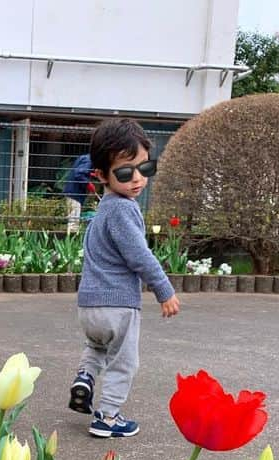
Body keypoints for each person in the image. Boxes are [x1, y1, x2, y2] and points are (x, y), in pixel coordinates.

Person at [68, 118, 180, 438]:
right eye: (124, 172)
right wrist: (163, 289)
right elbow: (139, 255)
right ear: (101, 175)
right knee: (124, 362)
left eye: (144, 169)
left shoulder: (103, 210)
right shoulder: (123, 209)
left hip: (89, 308)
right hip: (118, 305)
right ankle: (108, 415)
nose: (137, 179)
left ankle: (85, 378)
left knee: (97, 347)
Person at [62, 153, 94, 233]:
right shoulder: (89, 160)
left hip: (71, 191)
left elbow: (79, 171)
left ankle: (71, 239)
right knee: (74, 221)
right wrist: (88, 183)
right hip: (74, 193)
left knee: (73, 218)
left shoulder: (85, 157)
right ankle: (72, 241)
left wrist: (90, 174)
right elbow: (79, 173)